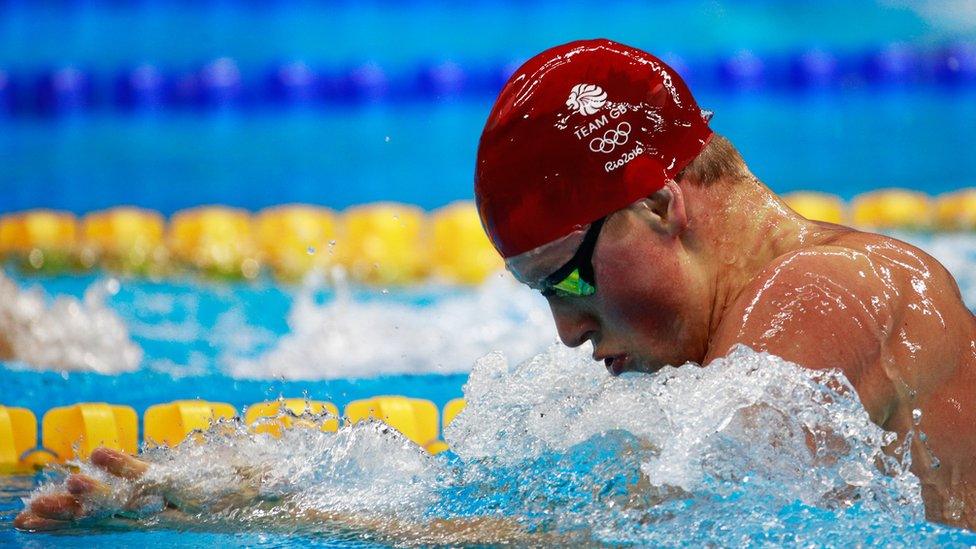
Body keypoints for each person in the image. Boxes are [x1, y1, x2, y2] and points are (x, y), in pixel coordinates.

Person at [15, 38, 976, 534]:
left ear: (659, 202)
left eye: (566, 274)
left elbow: (661, 535)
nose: (564, 330)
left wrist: (275, 511)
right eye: (539, 292)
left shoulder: (820, 295)